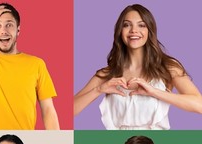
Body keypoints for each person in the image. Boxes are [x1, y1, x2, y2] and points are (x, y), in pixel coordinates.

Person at [74, 4, 202, 130]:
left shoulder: (168, 67)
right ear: (120, 31)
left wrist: (154, 92)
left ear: (149, 31)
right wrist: (99, 89)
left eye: (141, 25)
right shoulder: (108, 73)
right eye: (127, 25)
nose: (134, 30)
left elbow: (199, 105)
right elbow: (68, 111)